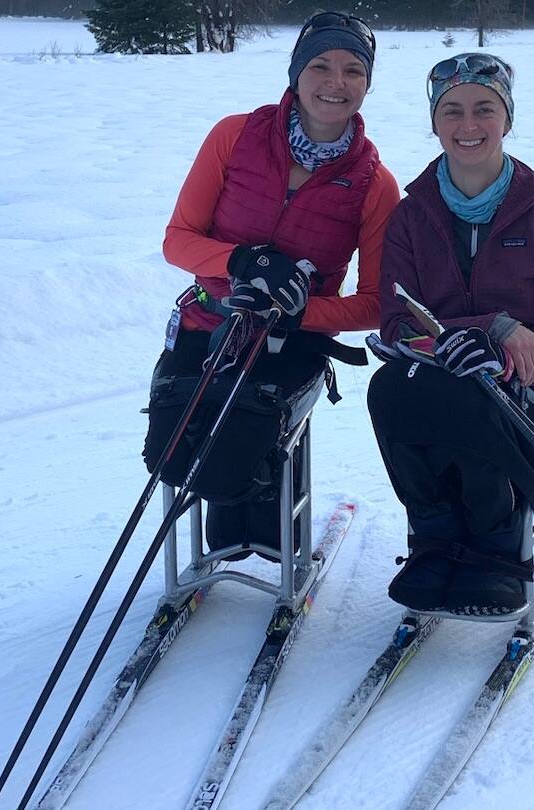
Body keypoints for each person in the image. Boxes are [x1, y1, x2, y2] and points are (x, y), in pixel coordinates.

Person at [145, 12, 400, 557]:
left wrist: (302, 312)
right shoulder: (235, 136)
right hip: (208, 322)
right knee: (171, 450)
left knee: (238, 446)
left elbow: (376, 304)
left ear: (367, 83)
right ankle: (227, 536)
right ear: (296, 73)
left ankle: (269, 540)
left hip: (291, 342)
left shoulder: (375, 184)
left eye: (353, 70)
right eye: (321, 65)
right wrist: (240, 261)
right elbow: (177, 241)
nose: (336, 83)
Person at [367, 53, 534, 615]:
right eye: (452, 110)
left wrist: (514, 359)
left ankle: (498, 550)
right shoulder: (410, 218)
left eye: (484, 109)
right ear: (434, 121)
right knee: (391, 386)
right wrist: (490, 328)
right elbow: (396, 323)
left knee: (472, 395)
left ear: (507, 119)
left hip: (533, 417)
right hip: (440, 403)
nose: (467, 125)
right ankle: (435, 536)